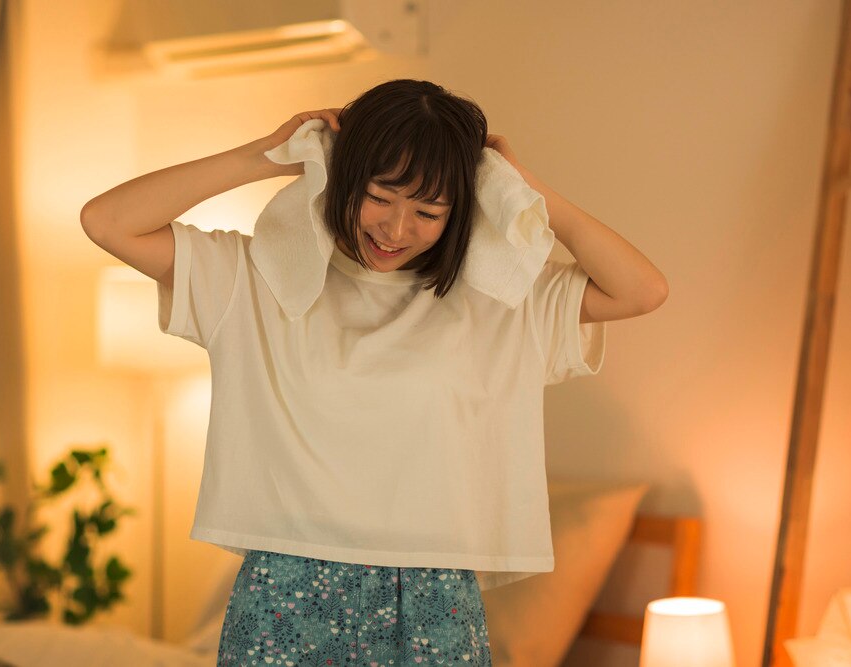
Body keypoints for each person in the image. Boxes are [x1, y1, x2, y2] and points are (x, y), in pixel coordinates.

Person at [80, 78, 668, 666]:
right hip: (287, 589)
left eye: (429, 211)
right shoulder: (253, 279)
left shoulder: (503, 300)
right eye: (379, 196)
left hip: (436, 599)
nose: (396, 229)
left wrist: (520, 187)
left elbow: (643, 290)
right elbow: (107, 221)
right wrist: (265, 156)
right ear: (342, 175)